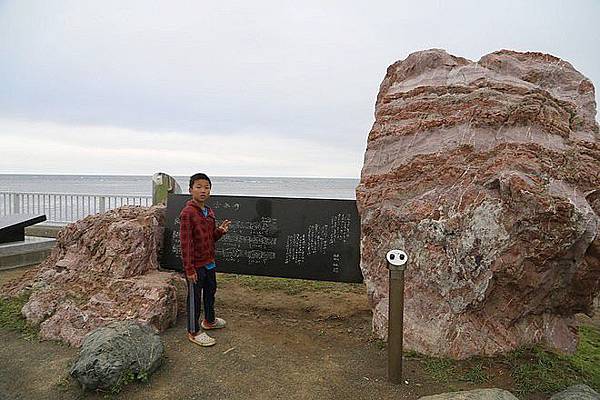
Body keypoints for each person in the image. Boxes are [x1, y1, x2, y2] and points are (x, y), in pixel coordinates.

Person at [179, 172, 231, 346]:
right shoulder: (188, 213)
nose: (203, 190)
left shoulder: (209, 212)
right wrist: (189, 269)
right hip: (196, 265)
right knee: (194, 298)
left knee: (210, 292)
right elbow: (186, 244)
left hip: (209, 262)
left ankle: (209, 321)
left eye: (206, 187)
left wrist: (220, 232)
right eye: (198, 187)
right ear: (190, 190)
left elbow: (210, 238)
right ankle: (193, 331)